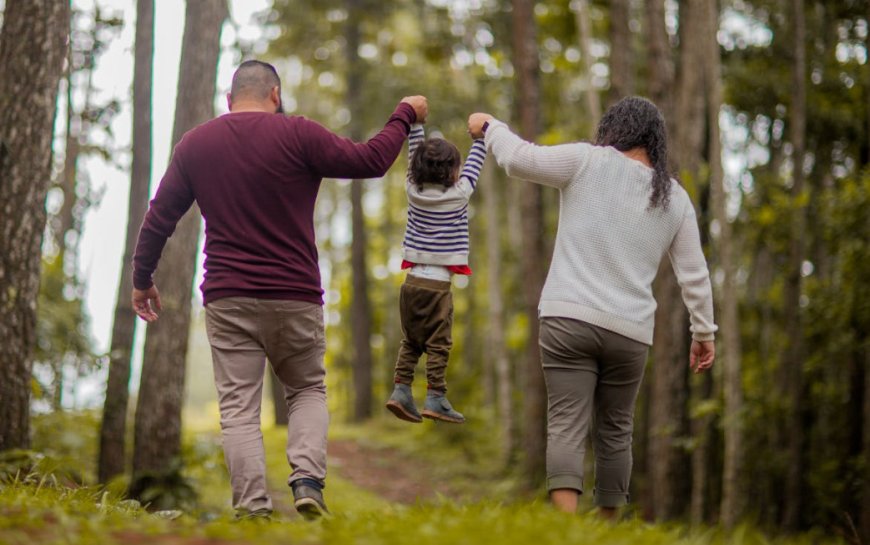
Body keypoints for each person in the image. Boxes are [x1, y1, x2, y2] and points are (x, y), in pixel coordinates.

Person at [131, 59, 428, 520]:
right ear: (275, 94)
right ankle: (308, 480)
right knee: (307, 388)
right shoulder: (298, 133)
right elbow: (371, 160)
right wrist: (404, 113)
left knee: (238, 409)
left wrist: (142, 279)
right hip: (295, 293)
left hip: (228, 296)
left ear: (229, 101)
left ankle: (252, 509)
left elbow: (160, 217)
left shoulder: (197, 144)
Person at [467, 97, 717, 519]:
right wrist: (704, 333)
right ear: (655, 142)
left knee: (566, 422)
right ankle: (606, 529)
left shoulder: (586, 160)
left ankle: (568, 528)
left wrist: (491, 126)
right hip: (630, 332)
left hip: (568, 319)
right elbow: (694, 274)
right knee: (617, 431)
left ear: (613, 129)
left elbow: (518, 160)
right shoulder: (674, 198)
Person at [384, 122, 487, 424]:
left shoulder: (412, 191)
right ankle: (435, 396)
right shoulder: (460, 194)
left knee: (411, 341)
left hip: (412, 283)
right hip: (438, 287)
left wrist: (416, 124)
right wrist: (480, 138)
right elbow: (476, 163)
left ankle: (401, 389)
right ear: (453, 171)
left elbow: (413, 152)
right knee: (438, 344)